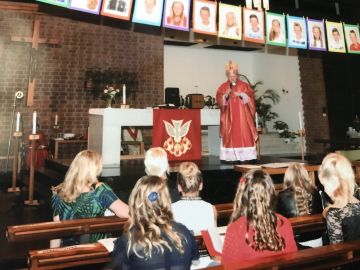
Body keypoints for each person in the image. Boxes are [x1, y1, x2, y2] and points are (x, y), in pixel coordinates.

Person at [112, 175, 200, 269]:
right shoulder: (184, 231)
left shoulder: (128, 240)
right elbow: (196, 261)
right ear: (166, 200)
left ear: (135, 200)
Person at [50, 150, 129, 247]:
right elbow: (127, 213)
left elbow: (56, 232)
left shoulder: (59, 192)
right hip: (97, 251)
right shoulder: (99, 190)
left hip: (69, 251)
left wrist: (53, 255)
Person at [221, 169, 297, 265]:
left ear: (242, 195)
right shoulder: (284, 222)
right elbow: (292, 259)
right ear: (271, 194)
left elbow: (227, 266)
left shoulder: (235, 228)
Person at [215, 60, 258, 163]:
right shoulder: (223, 87)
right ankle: (230, 158)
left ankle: (247, 157)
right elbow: (219, 100)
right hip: (229, 118)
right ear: (227, 76)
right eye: (230, 76)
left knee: (244, 134)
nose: (232, 77)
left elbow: (251, 99)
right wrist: (225, 95)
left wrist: (242, 94)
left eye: (234, 75)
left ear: (237, 74)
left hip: (243, 116)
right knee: (230, 135)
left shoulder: (244, 85)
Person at [276, 163, 323, 247]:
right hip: (317, 238)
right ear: (305, 175)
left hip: (295, 241)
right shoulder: (315, 192)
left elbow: (279, 222)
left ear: (287, 177)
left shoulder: (281, 196)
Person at [319, 153, 360, 244]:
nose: (325, 190)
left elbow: (338, 250)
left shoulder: (334, 213)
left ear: (333, 182)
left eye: (325, 185)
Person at [172, 162, 217, 234]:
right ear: (201, 186)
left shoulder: (171, 210)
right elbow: (214, 238)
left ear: (179, 187)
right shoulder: (211, 209)